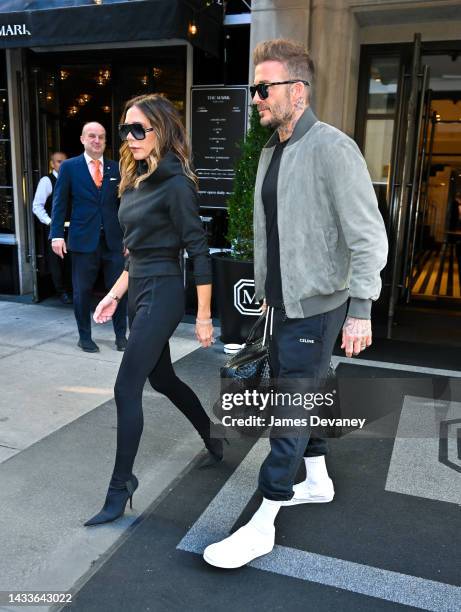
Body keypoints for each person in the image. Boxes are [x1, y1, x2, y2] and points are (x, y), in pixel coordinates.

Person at [203, 38, 388, 569]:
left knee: (288, 407)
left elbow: (368, 237)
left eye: (264, 88)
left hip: (320, 307)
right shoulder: (271, 150)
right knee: (299, 397)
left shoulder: (333, 148)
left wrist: (361, 310)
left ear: (298, 92)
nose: (255, 97)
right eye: (254, 88)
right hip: (283, 304)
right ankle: (319, 481)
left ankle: (263, 521)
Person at [84, 94, 221, 527]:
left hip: (163, 292)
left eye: (138, 128)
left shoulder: (177, 183)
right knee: (161, 378)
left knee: (127, 388)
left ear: (161, 130)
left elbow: (199, 252)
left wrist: (202, 316)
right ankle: (212, 434)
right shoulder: (136, 178)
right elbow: (134, 252)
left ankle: (120, 486)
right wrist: (114, 294)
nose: (129, 136)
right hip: (139, 286)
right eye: (125, 129)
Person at [50, 122, 128, 353]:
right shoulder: (70, 167)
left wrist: (129, 238)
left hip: (114, 242)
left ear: (105, 141)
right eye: (92, 136)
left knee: (119, 291)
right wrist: (56, 235)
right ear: (83, 139)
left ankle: (121, 337)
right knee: (81, 291)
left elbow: (125, 205)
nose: (97, 140)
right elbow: (59, 203)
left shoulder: (117, 168)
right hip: (83, 241)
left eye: (101, 137)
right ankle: (85, 337)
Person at [32, 151, 72, 304]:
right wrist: (50, 223)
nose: (63, 165)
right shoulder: (46, 181)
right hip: (55, 229)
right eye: (59, 161)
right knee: (57, 262)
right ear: (52, 164)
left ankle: (71, 290)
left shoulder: (71, 179)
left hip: (72, 227)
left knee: (71, 261)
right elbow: (37, 206)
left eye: (65, 161)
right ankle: (61, 292)